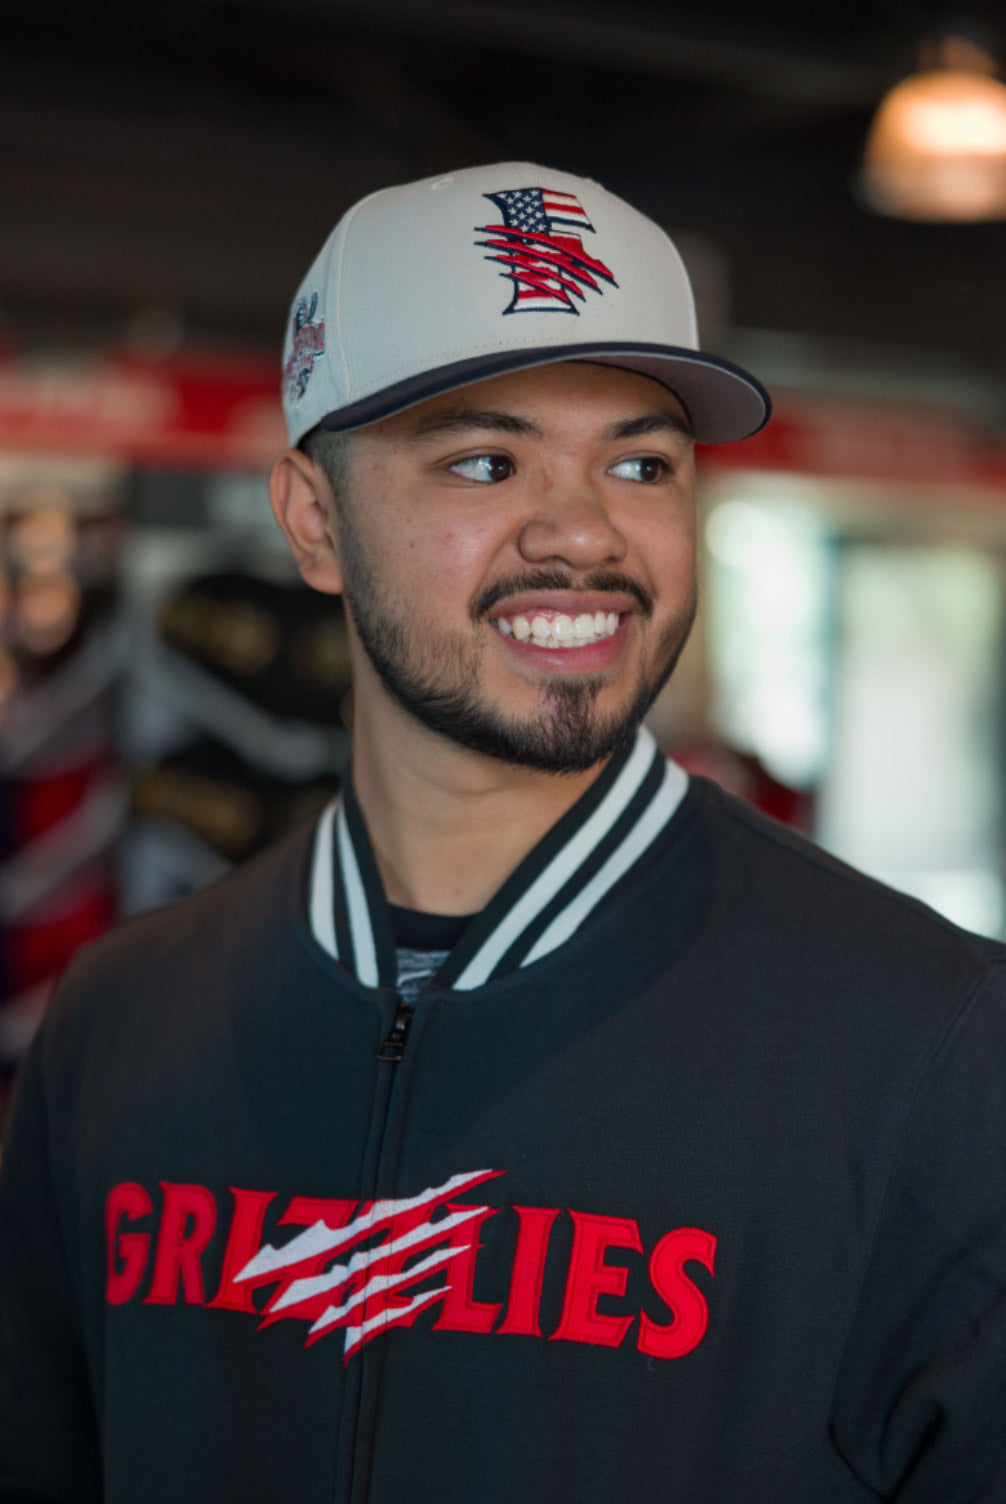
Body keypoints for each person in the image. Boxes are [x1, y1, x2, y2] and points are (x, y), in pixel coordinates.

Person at [2, 161, 1006, 1504]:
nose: (584, 532)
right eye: (486, 458)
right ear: (314, 520)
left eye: (639, 462)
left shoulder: (933, 1049)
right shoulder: (123, 1024)